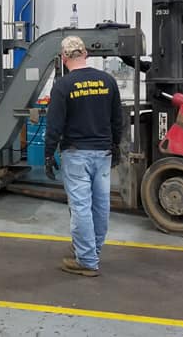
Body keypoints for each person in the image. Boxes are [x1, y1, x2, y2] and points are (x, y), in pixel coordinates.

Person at [44, 36, 122, 277]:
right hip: (103, 153)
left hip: (76, 153)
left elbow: (54, 125)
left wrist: (48, 154)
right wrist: (115, 146)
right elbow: (117, 119)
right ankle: (91, 252)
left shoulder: (63, 85)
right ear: (86, 53)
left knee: (80, 208)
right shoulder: (108, 81)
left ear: (63, 57)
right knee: (100, 205)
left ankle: (87, 260)